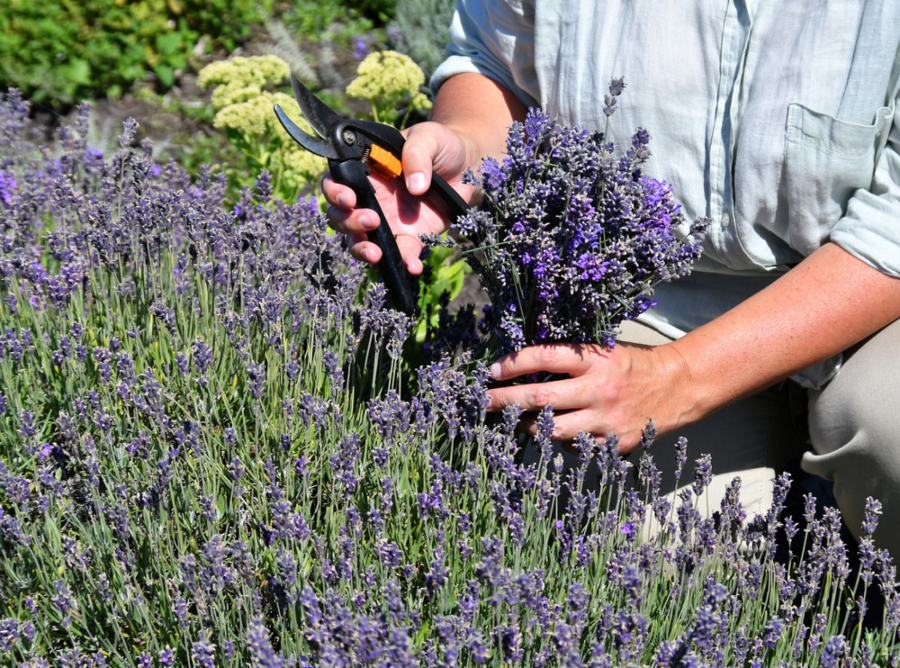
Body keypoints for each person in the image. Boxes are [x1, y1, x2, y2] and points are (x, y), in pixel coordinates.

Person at [324, 1, 900, 558]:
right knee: (638, 566)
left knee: (887, 430)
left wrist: (678, 379)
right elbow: (494, 63)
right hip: (645, 295)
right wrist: (468, 154)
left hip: (874, 298)